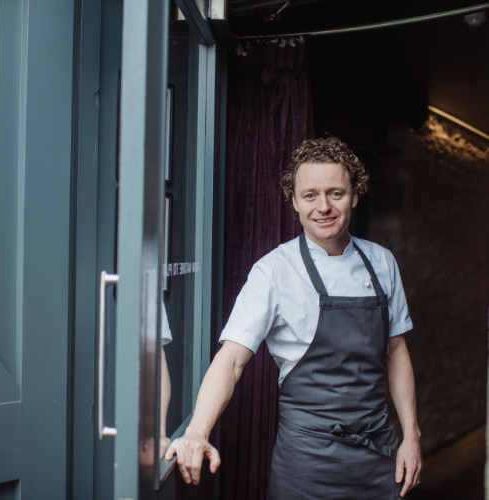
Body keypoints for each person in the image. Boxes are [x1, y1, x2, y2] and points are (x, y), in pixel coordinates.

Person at [165, 136, 423, 499]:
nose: (323, 207)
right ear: (294, 202)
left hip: (379, 458)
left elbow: (396, 352)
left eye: (336, 193)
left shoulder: (382, 262)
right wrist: (196, 431)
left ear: (355, 195)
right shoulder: (273, 271)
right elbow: (232, 360)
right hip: (307, 463)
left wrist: (411, 436)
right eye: (310, 195)